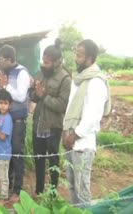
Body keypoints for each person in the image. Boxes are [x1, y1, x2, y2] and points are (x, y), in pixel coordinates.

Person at [62, 39, 111, 206]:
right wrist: (64, 131)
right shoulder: (78, 80)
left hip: (83, 144)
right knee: (71, 187)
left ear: (89, 58)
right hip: (70, 141)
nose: (76, 58)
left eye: (79, 55)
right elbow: (70, 108)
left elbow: (93, 116)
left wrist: (73, 136)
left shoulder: (96, 82)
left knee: (82, 190)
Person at [29, 39, 71, 197]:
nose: (43, 65)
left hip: (53, 126)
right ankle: (39, 191)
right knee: (38, 159)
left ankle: (53, 193)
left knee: (53, 161)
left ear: (56, 62)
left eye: (47, 62)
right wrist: (34, 92)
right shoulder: (41, 73)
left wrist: (44, 95)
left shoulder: (65, 78)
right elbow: (33, 96)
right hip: (38, 123)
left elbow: (62, 105)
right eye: (43, 61)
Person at [0, 44, 30, 202]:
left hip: (17, 121)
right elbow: (4, 96)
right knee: (7, 153)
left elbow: (21, 97)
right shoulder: (6, 72)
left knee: (17, 154)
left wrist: (6, 86)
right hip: (7, 120)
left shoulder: (22, 73)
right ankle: (7, 185)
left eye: (1, 59)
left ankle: (17, 190)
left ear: (9, 59)